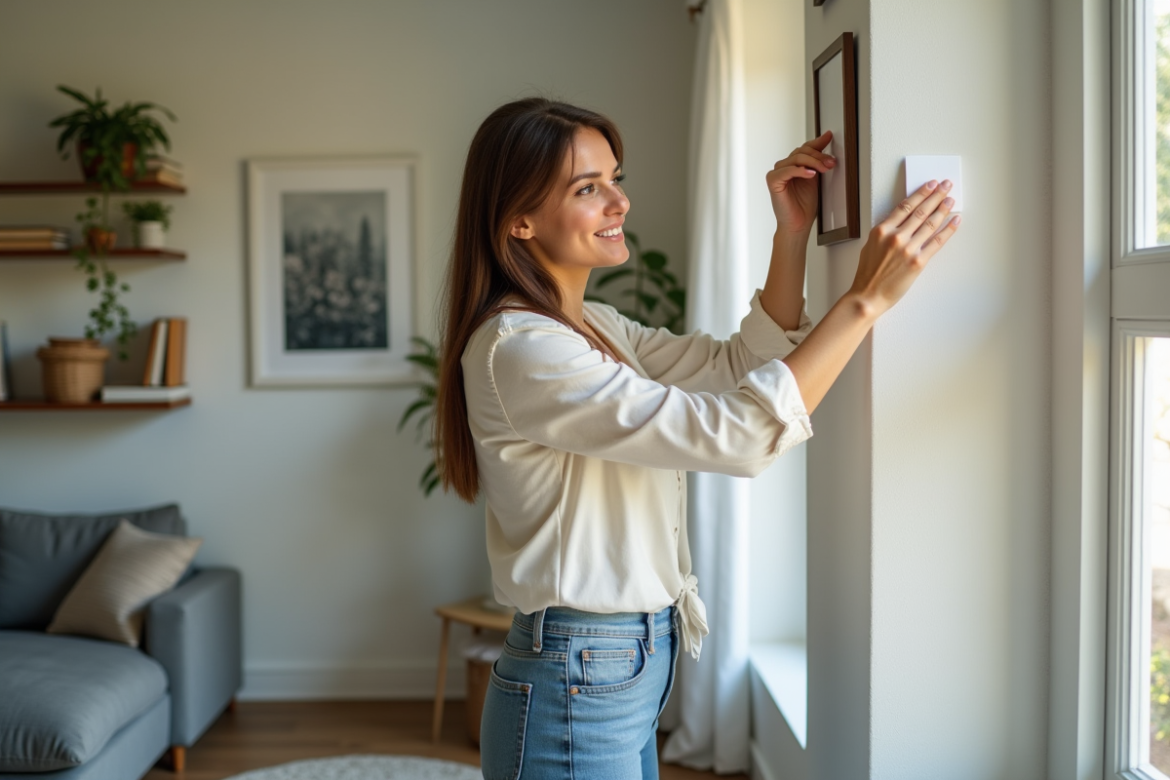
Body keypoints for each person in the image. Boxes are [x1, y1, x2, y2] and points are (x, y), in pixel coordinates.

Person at [435, 98, 959, 780]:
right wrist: (863, 302)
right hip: (581, 668)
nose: (619, 202)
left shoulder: (592, 325)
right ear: (519, 220)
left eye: (615, 179)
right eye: (587, 189)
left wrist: (791, 236)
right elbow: (735, 436)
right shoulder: (523, 348)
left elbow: (736, 367)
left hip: (620, 661)